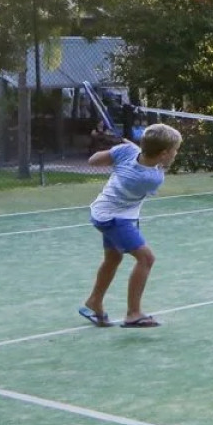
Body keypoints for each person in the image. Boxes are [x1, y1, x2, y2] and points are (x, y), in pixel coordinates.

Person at [79, 123, 183, 329]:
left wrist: (124, 150)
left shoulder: (126, 151)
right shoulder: (151, 177)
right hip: (116, 219)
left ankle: (94, 302)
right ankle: (133, 314)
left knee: (113, 257)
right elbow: (156, 166)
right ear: (163, 154)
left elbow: (94, 160)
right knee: (146, 258)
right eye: (174, 150)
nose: (175, 154)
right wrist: (135, 150)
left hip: (102, 211)